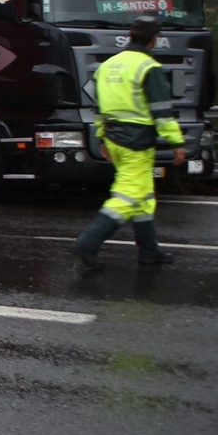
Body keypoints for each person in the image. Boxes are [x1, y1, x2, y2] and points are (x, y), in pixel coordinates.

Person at [73, 15, 186, 270]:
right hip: (137, 142)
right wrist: (176, 142)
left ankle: (149, 251)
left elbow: (99, 107)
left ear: (131, 35)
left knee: (144, 197)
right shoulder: (148, 67)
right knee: (128, 195)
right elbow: (162, 111)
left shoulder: (109, 65)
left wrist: (102, 137)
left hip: (114, 138)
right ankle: (88, 243)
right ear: (154, 40)